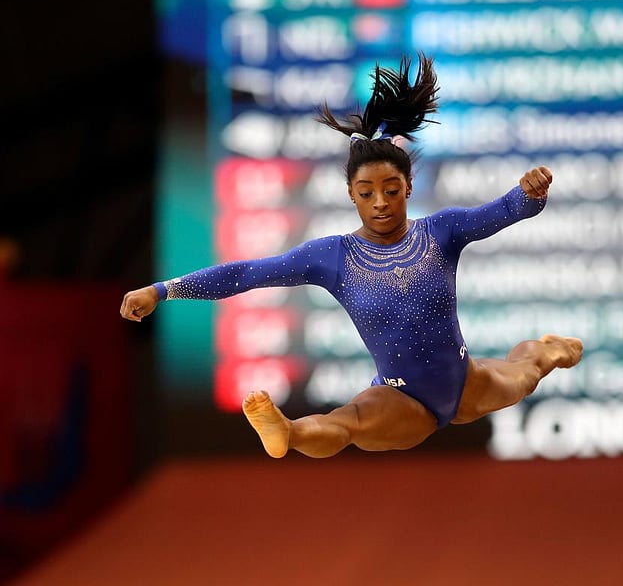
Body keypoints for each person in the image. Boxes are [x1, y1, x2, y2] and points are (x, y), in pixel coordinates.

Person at [120, 53, 583, 459]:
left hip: (466, 383)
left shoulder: (441, 232)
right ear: (350, 194)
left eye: (391, 190)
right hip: (403, 399)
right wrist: (162, 290)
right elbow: (247, 274)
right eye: (367, 192)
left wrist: (531, 192)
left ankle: (552, 348)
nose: (380, 202)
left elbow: (505, 210)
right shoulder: (333, 256)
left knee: (526, 372)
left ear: (408, 188)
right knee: (348, 423)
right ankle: (287, 432)